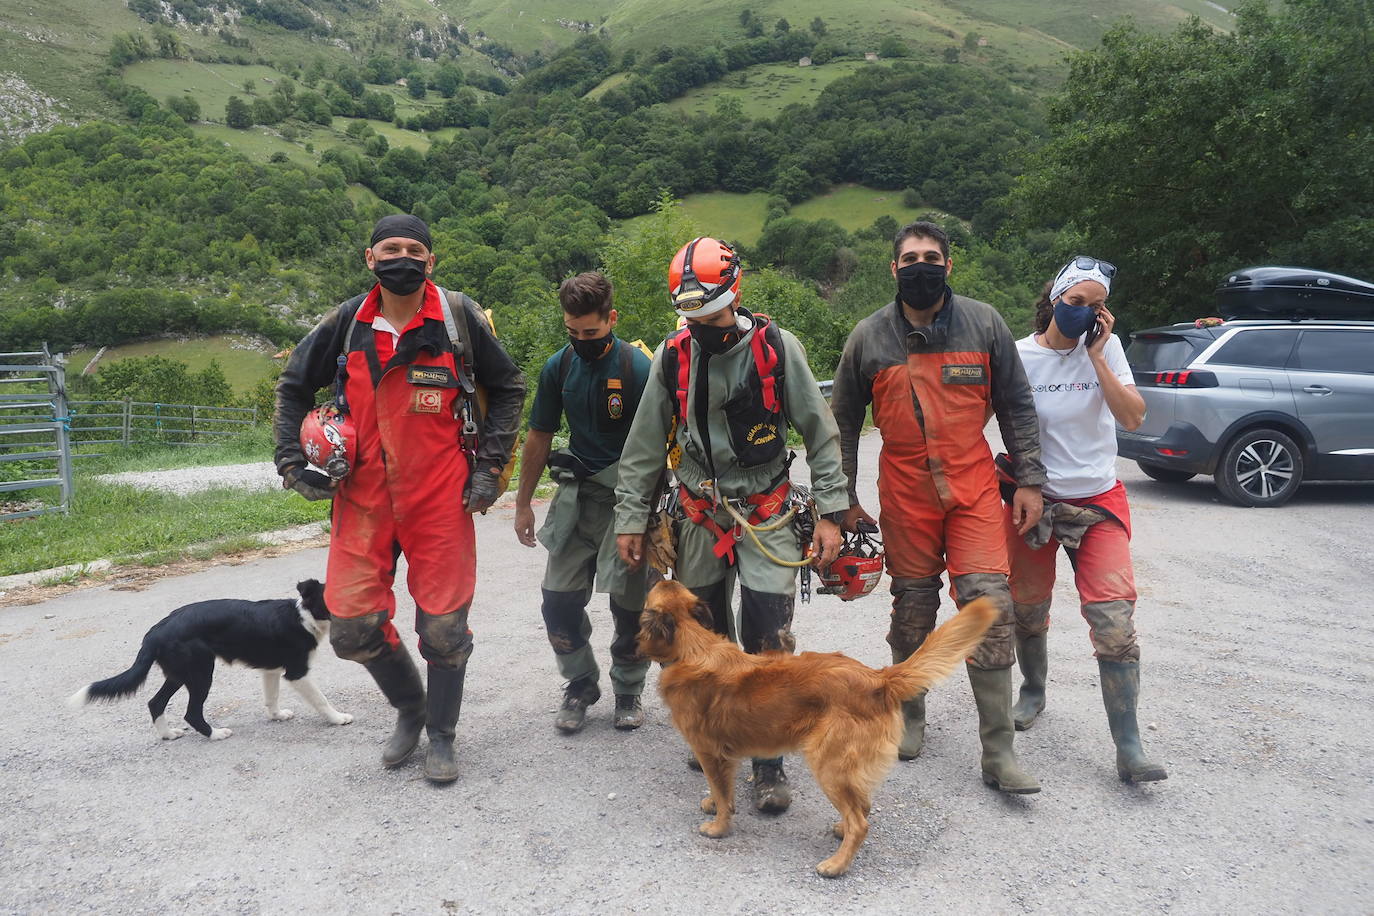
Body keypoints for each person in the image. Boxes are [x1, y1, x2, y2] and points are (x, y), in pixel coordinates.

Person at [273, 214, 525, 784]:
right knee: (352, 630)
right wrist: (292, 462)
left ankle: (441, 735)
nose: (403, 257)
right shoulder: (345, 324)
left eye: (415, 249)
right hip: (362, 499)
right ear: (370, 258)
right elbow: (292, 386)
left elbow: (509, 387)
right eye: (392, 248)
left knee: (443, 629)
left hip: (440, 498)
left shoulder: (458, 319)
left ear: (430, 261)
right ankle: (410, 709)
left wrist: (490, 466)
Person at [613, 237, 848, 814]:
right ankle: (715, 736)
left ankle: (767, 759)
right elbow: (644, 443)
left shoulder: (776, 349)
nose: (702, 326)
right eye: (691, 317)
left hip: (765, 510)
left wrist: (833, 513)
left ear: (734, 295)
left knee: (767, 636)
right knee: (699, 636)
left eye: (711, 315)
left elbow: (820, 432)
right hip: (698, 511)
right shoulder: (674, 355)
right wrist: (631, 517)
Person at [829, 220, 1045, 794]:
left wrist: (1029, 481)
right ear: (893, 268)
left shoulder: (984, 323)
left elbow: (1018, 406)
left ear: (948, 265)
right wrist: (843, 498)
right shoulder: (868, 337)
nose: (920, 265)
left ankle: (999, 752)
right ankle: (909, 716)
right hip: (905, 493)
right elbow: (843, 424)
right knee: (913, 610)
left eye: (931, 256)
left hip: (973, 488)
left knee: (989, 608)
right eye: (909, 257)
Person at [1004, 257, 1167, 783]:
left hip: (1098, 502)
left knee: (1114, 623)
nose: (1085, 314)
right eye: (1076, 303)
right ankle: (1033, 690)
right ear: (1054, 298)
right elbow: (979, 421)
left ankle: (1129, 745)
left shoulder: (1108, 349)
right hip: (1036, 502)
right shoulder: (1017, 355)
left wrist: (1096, 357)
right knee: (1027, 609)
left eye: (1096, 306)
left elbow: (1133, 417)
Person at [514, 272, 654, 734]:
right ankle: (580, 684)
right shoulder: (558, 367)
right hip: (576, 499)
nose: (580, 341)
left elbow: (662, 442)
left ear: (611, 319)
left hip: (630, 503)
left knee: (631, 604)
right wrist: (523, 503)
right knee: (558, 601)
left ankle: (629, 687)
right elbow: (539, 435)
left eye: (590, 333)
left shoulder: (638, 369)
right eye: (571, 332)